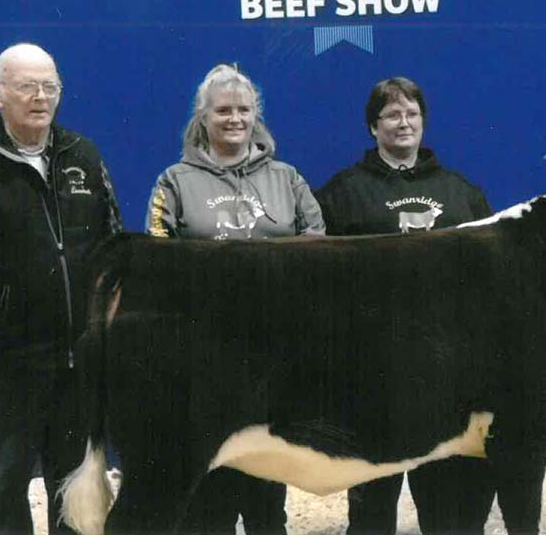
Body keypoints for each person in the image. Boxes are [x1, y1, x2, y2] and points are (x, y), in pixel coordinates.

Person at [0, 43, 123, 534]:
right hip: (5, 360)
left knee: (76, 491)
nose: (40, 97)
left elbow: (114, 246)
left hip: (80, 355)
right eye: (25, 86)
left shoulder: (85, 155)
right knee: (3, 490)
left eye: (49, 86)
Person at [146, 63, 324, 534]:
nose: (234, 119)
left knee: (268, 497)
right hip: (203, 352)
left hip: (277, 353)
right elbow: (158, 259)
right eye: (223, 110)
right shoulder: (173, 182)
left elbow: (319, 245)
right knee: (210, 499)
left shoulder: (288, 179)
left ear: (256, 116)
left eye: (243, 110)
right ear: (203, 117)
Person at [315, 76, 496, 535]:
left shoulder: (461, 194)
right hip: (369, 375)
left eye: (412, 114)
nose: (404, 123)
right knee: (372, 511)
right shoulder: (340, 194)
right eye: (392, 115)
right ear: (372, 127)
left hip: (445, 376)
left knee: (446, 509)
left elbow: (489, 280)